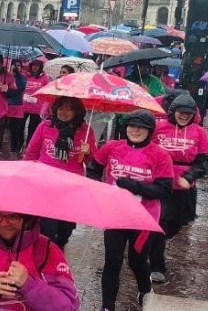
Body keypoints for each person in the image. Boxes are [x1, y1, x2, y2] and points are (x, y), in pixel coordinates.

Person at [86, 110, 173, 311]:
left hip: (144, 218)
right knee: (112, 260)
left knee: (137, 261)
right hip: (115, 214)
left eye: (141, 127)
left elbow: (164, 190)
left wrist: (135, 186)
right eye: (131, 126)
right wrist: (97, 189)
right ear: (125, 127)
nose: (135, 130)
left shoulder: (160, 155)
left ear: (149, 131)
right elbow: (94, 169)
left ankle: (145, 290)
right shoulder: (112, 147)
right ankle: (107, 306)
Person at [148, 94, 208, 283]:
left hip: (184, 184)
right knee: (159, 224)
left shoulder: (199, 132)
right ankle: (157, 265)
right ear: (173, 112)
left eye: (189, 113)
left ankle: (155, 242)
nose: (184, 116)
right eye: (181, 112)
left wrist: (189, 176)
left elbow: (204, 161)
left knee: (176, 224)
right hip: (160, 181)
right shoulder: (158, 128)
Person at [23, 96, 96, 249]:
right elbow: (31, 154)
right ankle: (46, 257)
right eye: (60, 108)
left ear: (77, 111)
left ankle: (58, 250)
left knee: (65, 229)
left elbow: (92, 162)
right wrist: (28, 177)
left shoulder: (85, 131)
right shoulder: (45, 126)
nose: (63, 112)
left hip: (70, 187)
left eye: (69, 109)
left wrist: (88, 152)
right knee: (47, 228)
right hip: (45, 184)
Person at [22, 59, 50, 146]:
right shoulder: (25, 75)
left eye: (37, 65)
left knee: (32, 129)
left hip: (37, 108)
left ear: (40, 67)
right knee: (20, 127)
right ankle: (19, 143)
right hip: (24, 106)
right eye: (33, 65)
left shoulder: (45, 77)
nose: (35, 67)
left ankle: (28, 145)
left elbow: (46, 91)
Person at [5, 60, 28, 154]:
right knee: (5, 128)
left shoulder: (22, 77)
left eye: (18, 65)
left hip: (16, 106)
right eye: (14, 65)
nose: (16, 67)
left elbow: (21, 88)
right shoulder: (6, 76)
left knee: (16, 129)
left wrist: (17, 73)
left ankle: (15, 147)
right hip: (5, 106)